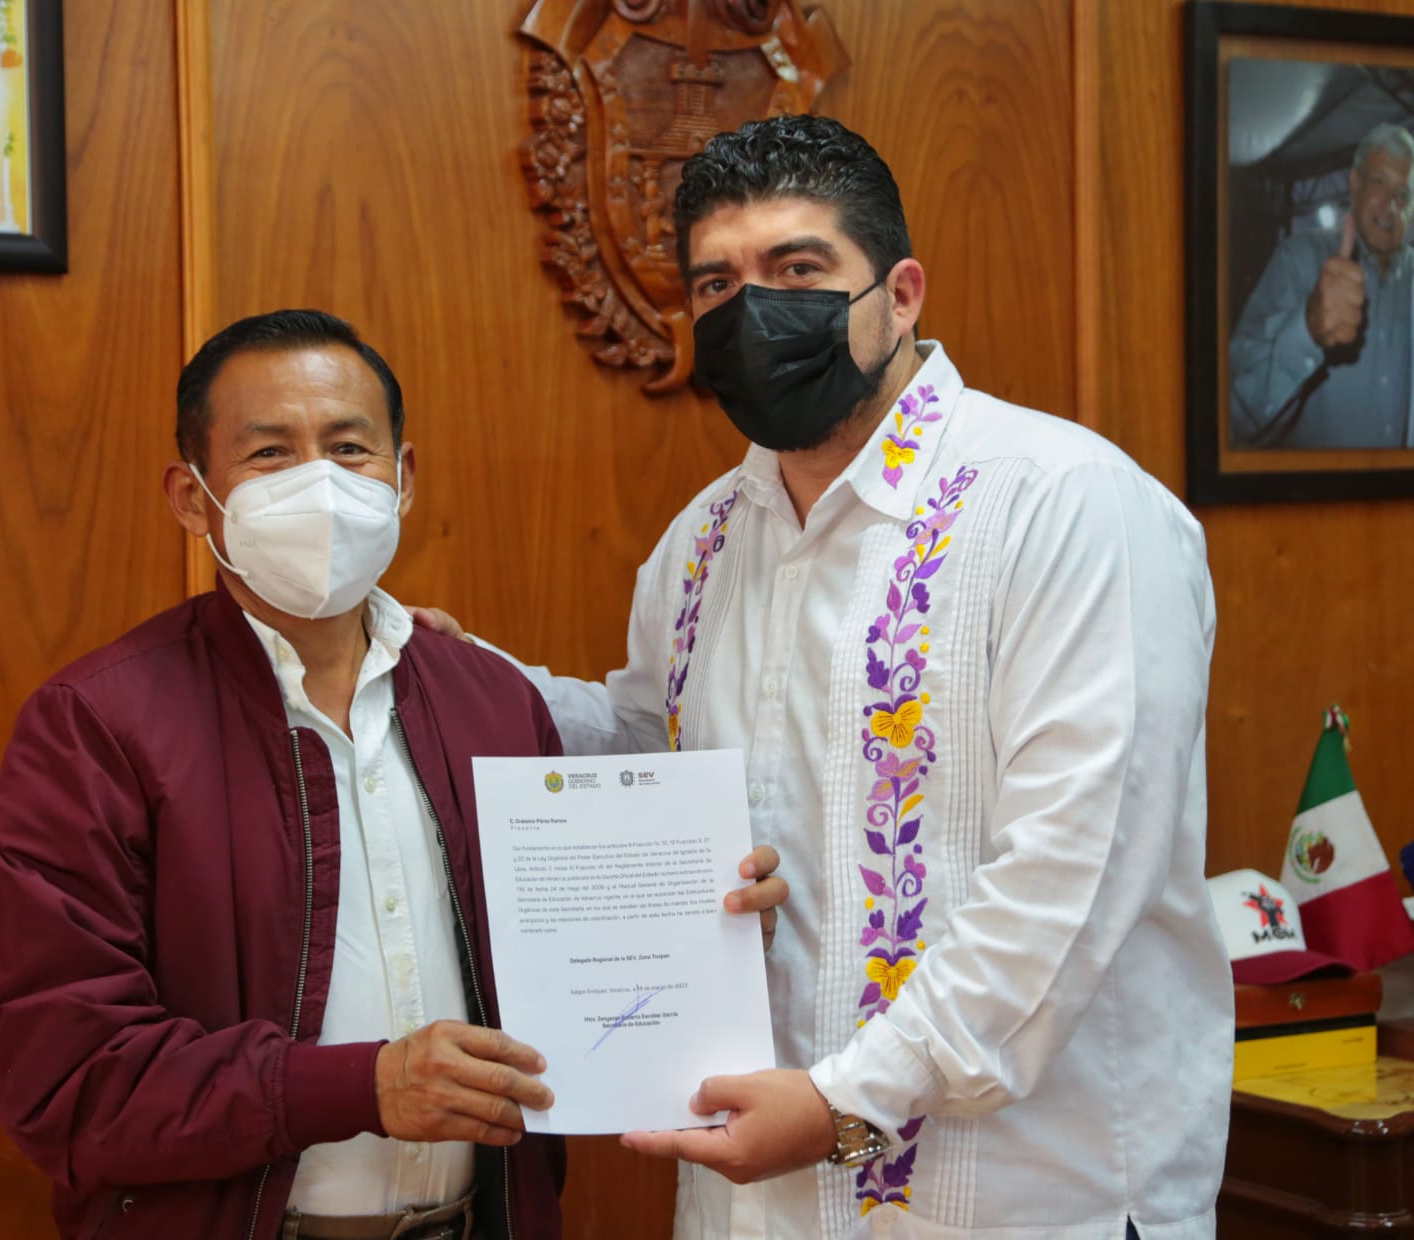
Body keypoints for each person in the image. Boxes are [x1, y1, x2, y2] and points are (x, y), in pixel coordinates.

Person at [418, 115, 1230, 1239]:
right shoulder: (703, 540)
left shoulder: (1064, 505)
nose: (754, 311)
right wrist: (458, 673)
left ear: (901, 295)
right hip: (757, 1199)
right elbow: (651, 748)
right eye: (718, 284)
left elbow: (1072, 879)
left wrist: (846, 1103)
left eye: (798, 269)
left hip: (1024, 1199)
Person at [0, 309, 786, 1240]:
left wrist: (698, 924)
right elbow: (59, 1073)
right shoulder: (97, 725)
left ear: (403, 478)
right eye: (270, 453)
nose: (319, 480)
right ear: (193, 499)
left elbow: (564, 957)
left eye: (350, 447)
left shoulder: (492, 701)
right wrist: (363, 1085)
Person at [1229, 121, 1414, 448]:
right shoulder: (1299, 259)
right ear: (1355, 183)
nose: (1391, 205)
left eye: (1403, 193)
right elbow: (1236, 416)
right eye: (1380, 182)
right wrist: (1306, 330)